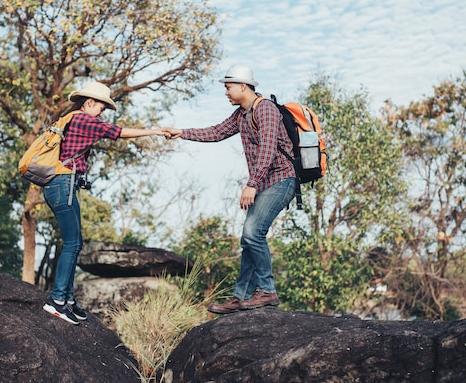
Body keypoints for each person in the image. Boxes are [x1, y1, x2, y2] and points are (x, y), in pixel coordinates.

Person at [163, 65, 296, 314]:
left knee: (253, 232)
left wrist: (251, 184)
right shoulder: (241, 114)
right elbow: (216, 132)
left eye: (228, 87)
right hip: (265, 182)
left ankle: (267, 291)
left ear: (243, 86)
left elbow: (268, 149)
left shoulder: (265, 108)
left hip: (281, 179)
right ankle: (242, 297)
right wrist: (181, 132)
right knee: (248, 240)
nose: (226, 92)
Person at [43, 81, 170, 325]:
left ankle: (67, 299)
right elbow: (118, 133)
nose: (102, 112)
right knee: (72, 244)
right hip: (63, 183)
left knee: (75, 243)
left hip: (63, 184)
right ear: (89, 102)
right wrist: (154, 131)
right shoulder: (83, 119)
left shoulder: (71, 119)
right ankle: (57, 300)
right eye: (102, 107)